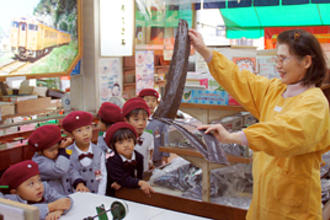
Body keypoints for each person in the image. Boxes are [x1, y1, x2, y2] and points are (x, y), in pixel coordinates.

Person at [189, 28, 330, 219]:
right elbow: (240, 79)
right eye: (277, 59)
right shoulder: (275, 90)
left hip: (295, 209)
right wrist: (205, 52)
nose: (278, 65)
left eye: (284, 59)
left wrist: (235, 136)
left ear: (306, 61)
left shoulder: (315, 104)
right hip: (263, 203)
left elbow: (285, 133)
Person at [0, 160, 72, 220]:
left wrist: (59, 211)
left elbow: (66, 200)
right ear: (14, 192)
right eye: (31, 183)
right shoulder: (10, 200)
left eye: (39, 180)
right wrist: (51, 206)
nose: (38, 186)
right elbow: (25, 213)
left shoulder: (44, 187)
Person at [30, 125, 86, 195]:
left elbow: (70, 169)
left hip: (68, 195)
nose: (56, 152)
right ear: (39, 151)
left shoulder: (59, 155)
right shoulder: (39, 162)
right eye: (51, 150)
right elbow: (60, 170)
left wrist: (78, 182)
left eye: (57, 148)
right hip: (54, 199)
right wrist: (62, 151)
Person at [62, 111, 107, 195]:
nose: (85, 133)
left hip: (97, 194)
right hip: (77, 197)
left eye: (88, 128)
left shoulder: (99, 151)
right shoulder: (67, 152)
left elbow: (103, 175)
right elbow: (68, 176)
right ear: (72, 135)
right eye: (79, 131)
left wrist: (100, 196)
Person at [104, 122, 154, 196]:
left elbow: (139, 176)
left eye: (129, 141)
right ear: (113, 146)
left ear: (134, 141)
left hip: (130, 189)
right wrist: (139, 182)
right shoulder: (112, 160)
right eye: (120, 143)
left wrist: (135, 183)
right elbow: (121, 178)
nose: (126, 145)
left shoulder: (139, 157)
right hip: (113, 192)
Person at [122, 97, 154, 172]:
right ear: (126, 120)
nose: (141, 123)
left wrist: (150, 162)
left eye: (144, 119)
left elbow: (150, 151)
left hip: (143, 173)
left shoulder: (149, 136)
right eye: (136, 119)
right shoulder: (121, 138)